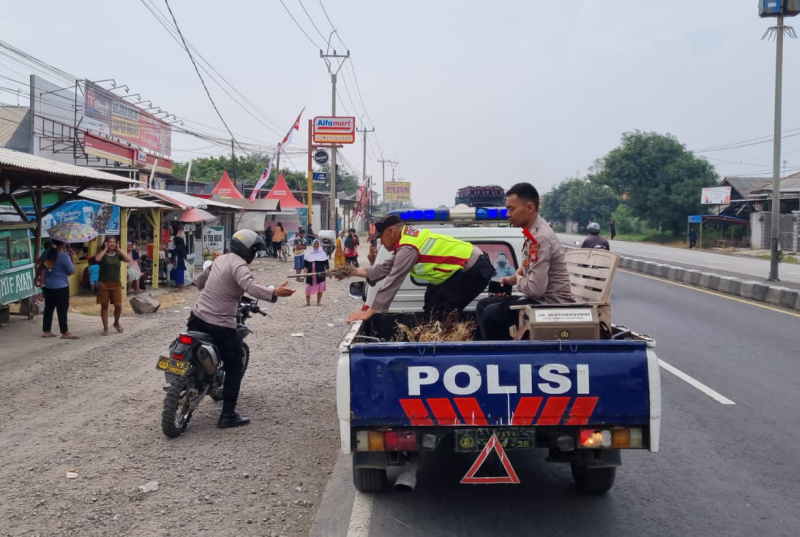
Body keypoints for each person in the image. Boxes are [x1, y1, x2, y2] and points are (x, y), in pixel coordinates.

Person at [191, 229, 295, 428]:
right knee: (235, 366)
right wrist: (275, 293)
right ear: (248, 250)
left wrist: (199, 283)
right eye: (254, 251)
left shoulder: (221, 260)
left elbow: (200, 280)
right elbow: (250, 286)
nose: (254, 256)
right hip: (220, 325)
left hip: (196, 317)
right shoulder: (240, 266)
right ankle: (228, 415)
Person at [341, 214, 494, 323]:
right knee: (432, 297)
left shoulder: (408, 247)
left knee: (439, 305)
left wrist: (369, 312)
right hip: (471, 267)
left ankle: (444, 341)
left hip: (474, 269)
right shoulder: (406, 242)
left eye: (381, 238)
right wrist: (350, 272)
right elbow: (383, 269)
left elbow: (392, 281)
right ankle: (438, 335)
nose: (381, 243)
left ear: (392, 232)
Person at [476, 183, 574, 341]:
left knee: (492, 313)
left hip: (550, 303)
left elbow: (535, 289)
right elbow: (528, 266)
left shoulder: (539, 238)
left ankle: (505, 357)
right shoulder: (531, 233)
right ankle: (493, 351)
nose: (508, 214)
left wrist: (518, 280)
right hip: (539, 299)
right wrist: (511, 280)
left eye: (511, 209)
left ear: (530, 208)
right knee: (483, 306)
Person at [37, 240, 78, 339]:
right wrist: (71, 256)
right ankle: (64, 332)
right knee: (62, 310)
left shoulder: (47, 252)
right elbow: (71, 271)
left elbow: (40, 261)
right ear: (63, 244)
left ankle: (47, 331)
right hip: (61, 286)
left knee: (48, 309)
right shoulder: (64, 257)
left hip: (48, 285)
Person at [95, 236, 133, 335]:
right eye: (110, 242)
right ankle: (105, 327)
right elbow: (97, 259)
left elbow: (128, 259)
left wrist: (119, 249)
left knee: (118, 305)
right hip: (104, 283)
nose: (112, 243)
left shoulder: (117, 255)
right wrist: (105, 249)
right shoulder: (103, 255)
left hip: (116, 283)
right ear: (106, 243)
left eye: (114, 242)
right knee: (104, 306)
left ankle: (116, 323)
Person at [303, 238, 329, 306]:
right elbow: (305, 263)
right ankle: (308, 302)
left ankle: (318, 302)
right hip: (310, 274)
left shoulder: (322, 253)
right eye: (315, 243)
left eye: (317, 244)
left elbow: (326, 263)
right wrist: (305, 269)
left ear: (319, 245)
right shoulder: (309, 253)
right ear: (312, 244)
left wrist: (329, 270)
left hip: (320, 273)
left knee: (320, 288)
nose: (316, 245)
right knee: (308, 288)